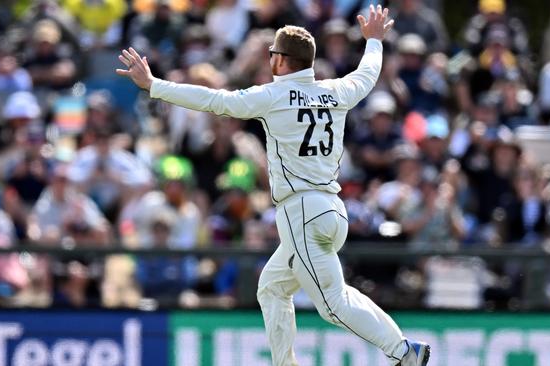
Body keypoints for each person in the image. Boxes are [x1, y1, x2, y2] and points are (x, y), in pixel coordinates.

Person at [116, 5, 430, 366]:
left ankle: (404, 352)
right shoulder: (336, 92)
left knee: (332, 304)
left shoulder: (273, 96)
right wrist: (373, 41)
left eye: (273, 55)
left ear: (282, 60)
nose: (270, 61)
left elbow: (216, 102)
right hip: (330, 209)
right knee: (272, 289)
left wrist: (155, 86)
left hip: (300, 212)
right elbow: (368, 73)